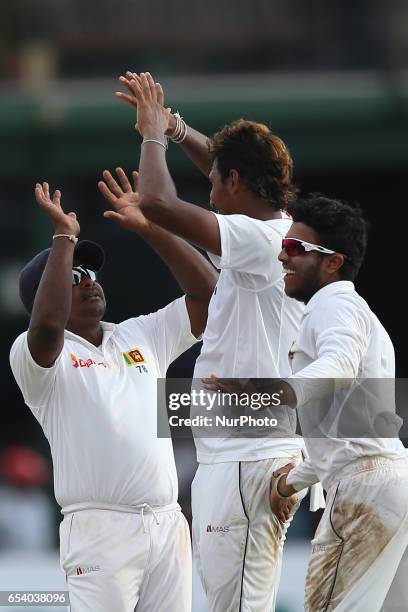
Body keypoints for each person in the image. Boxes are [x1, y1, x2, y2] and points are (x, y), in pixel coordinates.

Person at [114, 71, 318, 612]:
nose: (209, 193)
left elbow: (158, 199)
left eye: (216, 183)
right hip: (241, 450)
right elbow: (224, 170)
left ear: (234, 183)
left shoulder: (261, 240)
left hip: (248, 455)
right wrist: (179, 129)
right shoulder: (274, 230)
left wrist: (153, 134)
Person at [9, 171, 218, 612]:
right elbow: (47, 325)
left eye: (91, 272)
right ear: (45, 295)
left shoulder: (140, 334)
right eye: (74, 275)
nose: (89, 280)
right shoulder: (38, 355)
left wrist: (152, 229)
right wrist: (64, 238)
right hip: (99, 529)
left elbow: (209, 294)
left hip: (166, 524)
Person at [263, 194, 408, 611]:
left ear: (332, 262)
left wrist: (270, 392)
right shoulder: (357, 312)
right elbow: (352, 431)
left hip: (364, 493)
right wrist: (293, 481)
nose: (282, 256)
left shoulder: (334, 305)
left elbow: (338, 365)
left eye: (294, 249)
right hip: (388, 482)